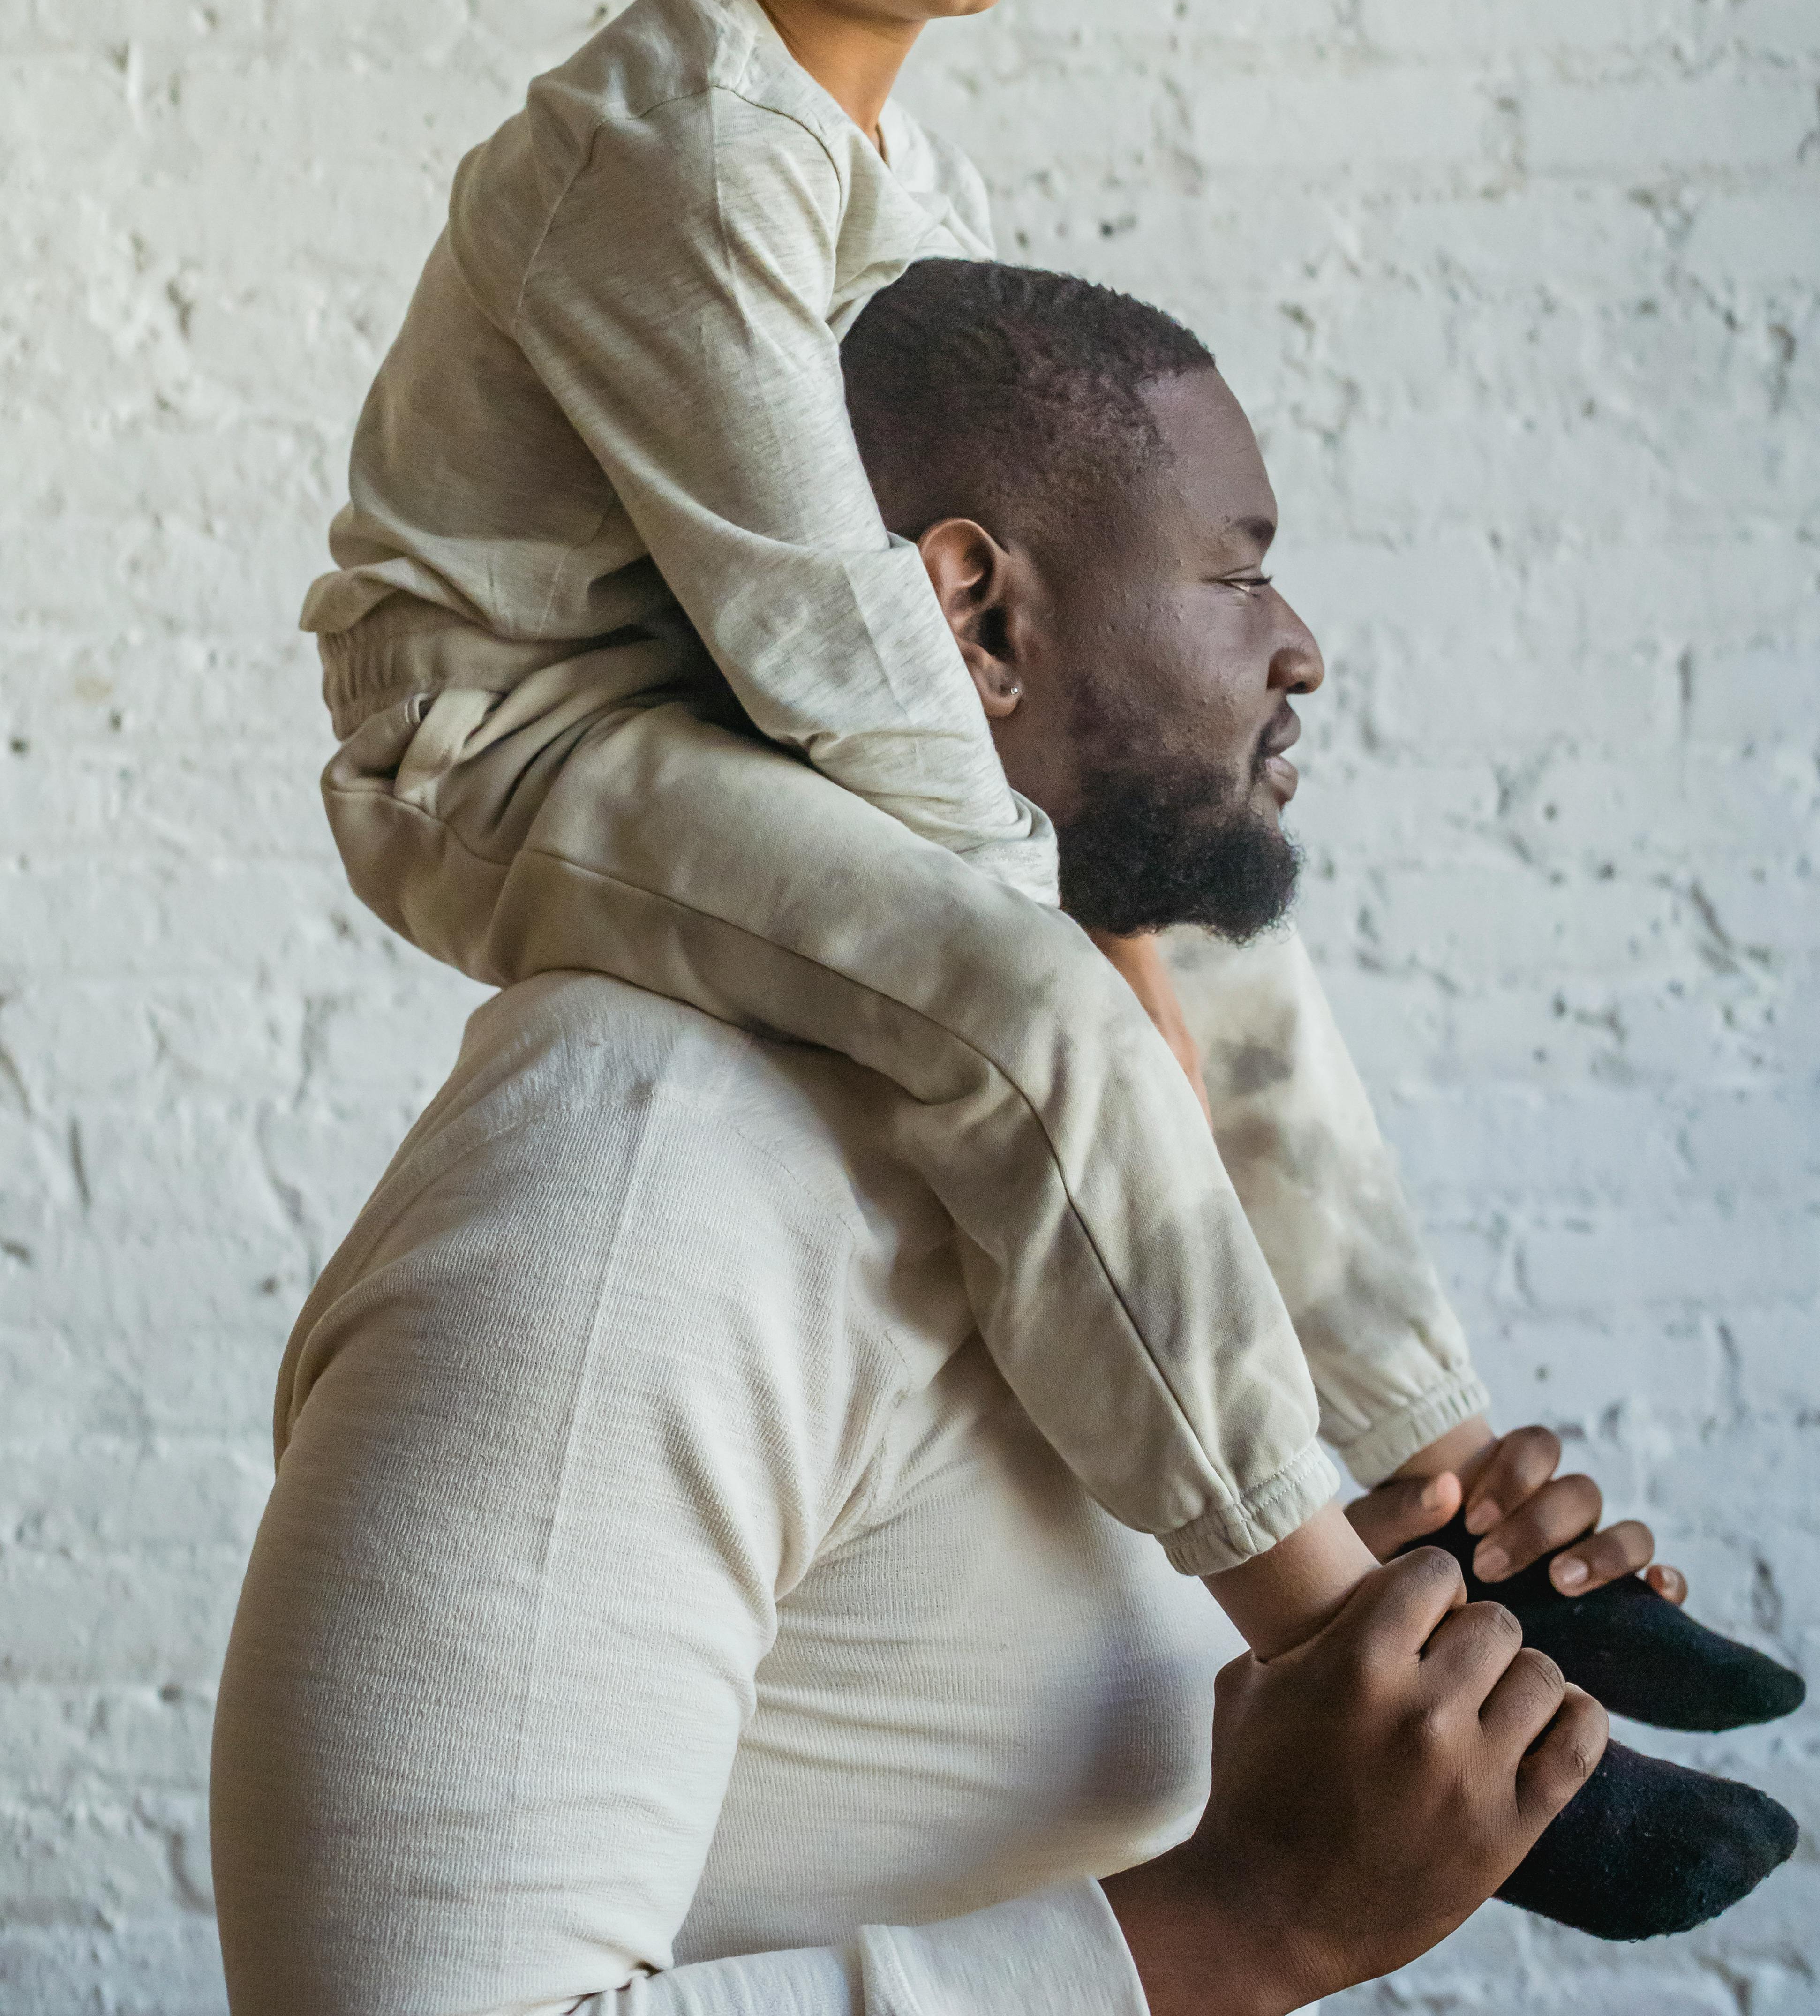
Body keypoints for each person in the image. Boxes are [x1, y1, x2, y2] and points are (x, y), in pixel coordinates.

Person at [215, 267, 1797, 2007]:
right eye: (1238, 566)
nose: (1302, 649)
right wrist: (1247, 1921)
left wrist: (1389, 1644)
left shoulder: (1090, 1196)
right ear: (976, 617)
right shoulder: (636, 1189)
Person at [298, 0, 1466, 1678]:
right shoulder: (672, 147)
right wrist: (1075, 941)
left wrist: (1140, 858)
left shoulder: (886, 170)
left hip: (718, 690)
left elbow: (973, 592)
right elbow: (831, 629)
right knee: (1026, 997)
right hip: (515, 738)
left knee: (1197, 856)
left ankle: (1427, 1466)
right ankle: (1324, 1626)